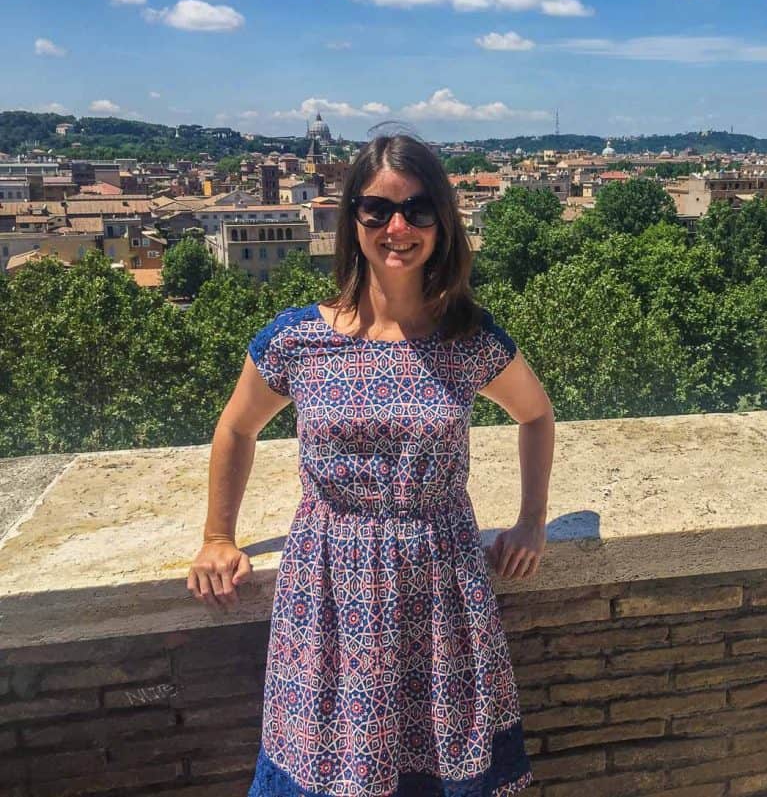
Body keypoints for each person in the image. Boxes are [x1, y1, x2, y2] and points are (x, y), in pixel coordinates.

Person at [186, 131, 554, 796]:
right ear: (352, 219)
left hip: (440, 590)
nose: (397, 227)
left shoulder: (469, 338)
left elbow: (536, 414)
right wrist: (218, 536)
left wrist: (532, 521)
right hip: (329, 590)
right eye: (377, 210)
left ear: (442, 221)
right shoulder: (299, 340)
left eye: (417, 209)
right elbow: (235, 428)